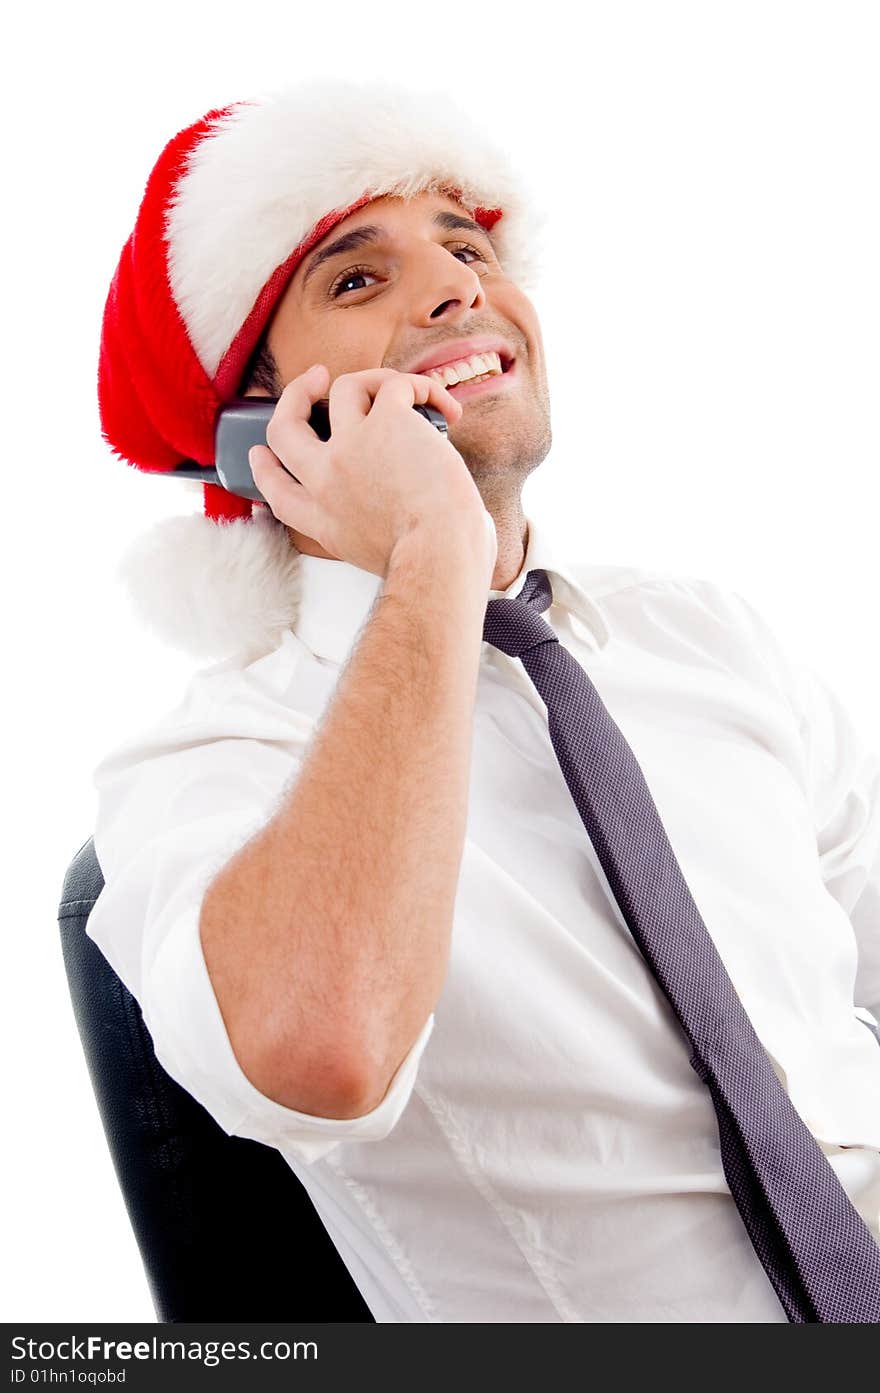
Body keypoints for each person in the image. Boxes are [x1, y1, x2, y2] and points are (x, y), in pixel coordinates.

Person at [88, 76, 880, 1323]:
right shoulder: (212, 762)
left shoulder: (709, 640)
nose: (460, 284)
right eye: (357, 279)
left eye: (466, 244)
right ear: (261, 425)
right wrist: (432, 555)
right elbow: (323, 1054)